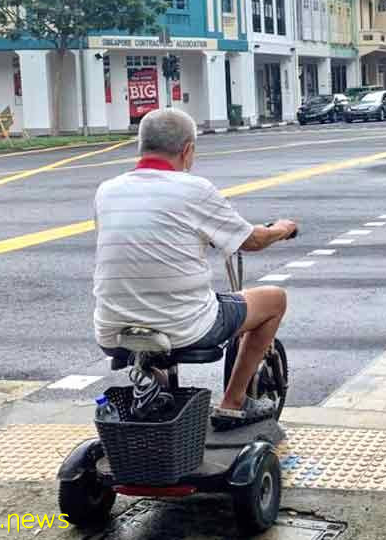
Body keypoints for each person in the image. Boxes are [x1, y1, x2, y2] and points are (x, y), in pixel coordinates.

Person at [93, 108, 298, 428]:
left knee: (156, 304)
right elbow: (252, 240)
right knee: (274, 300)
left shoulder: (106, 191)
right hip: (187, 327)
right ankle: (233, 403)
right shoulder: (195, 189)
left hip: (112, 329)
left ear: (141, 146)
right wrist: (282, 229)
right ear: (187, 150)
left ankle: (156, 394)